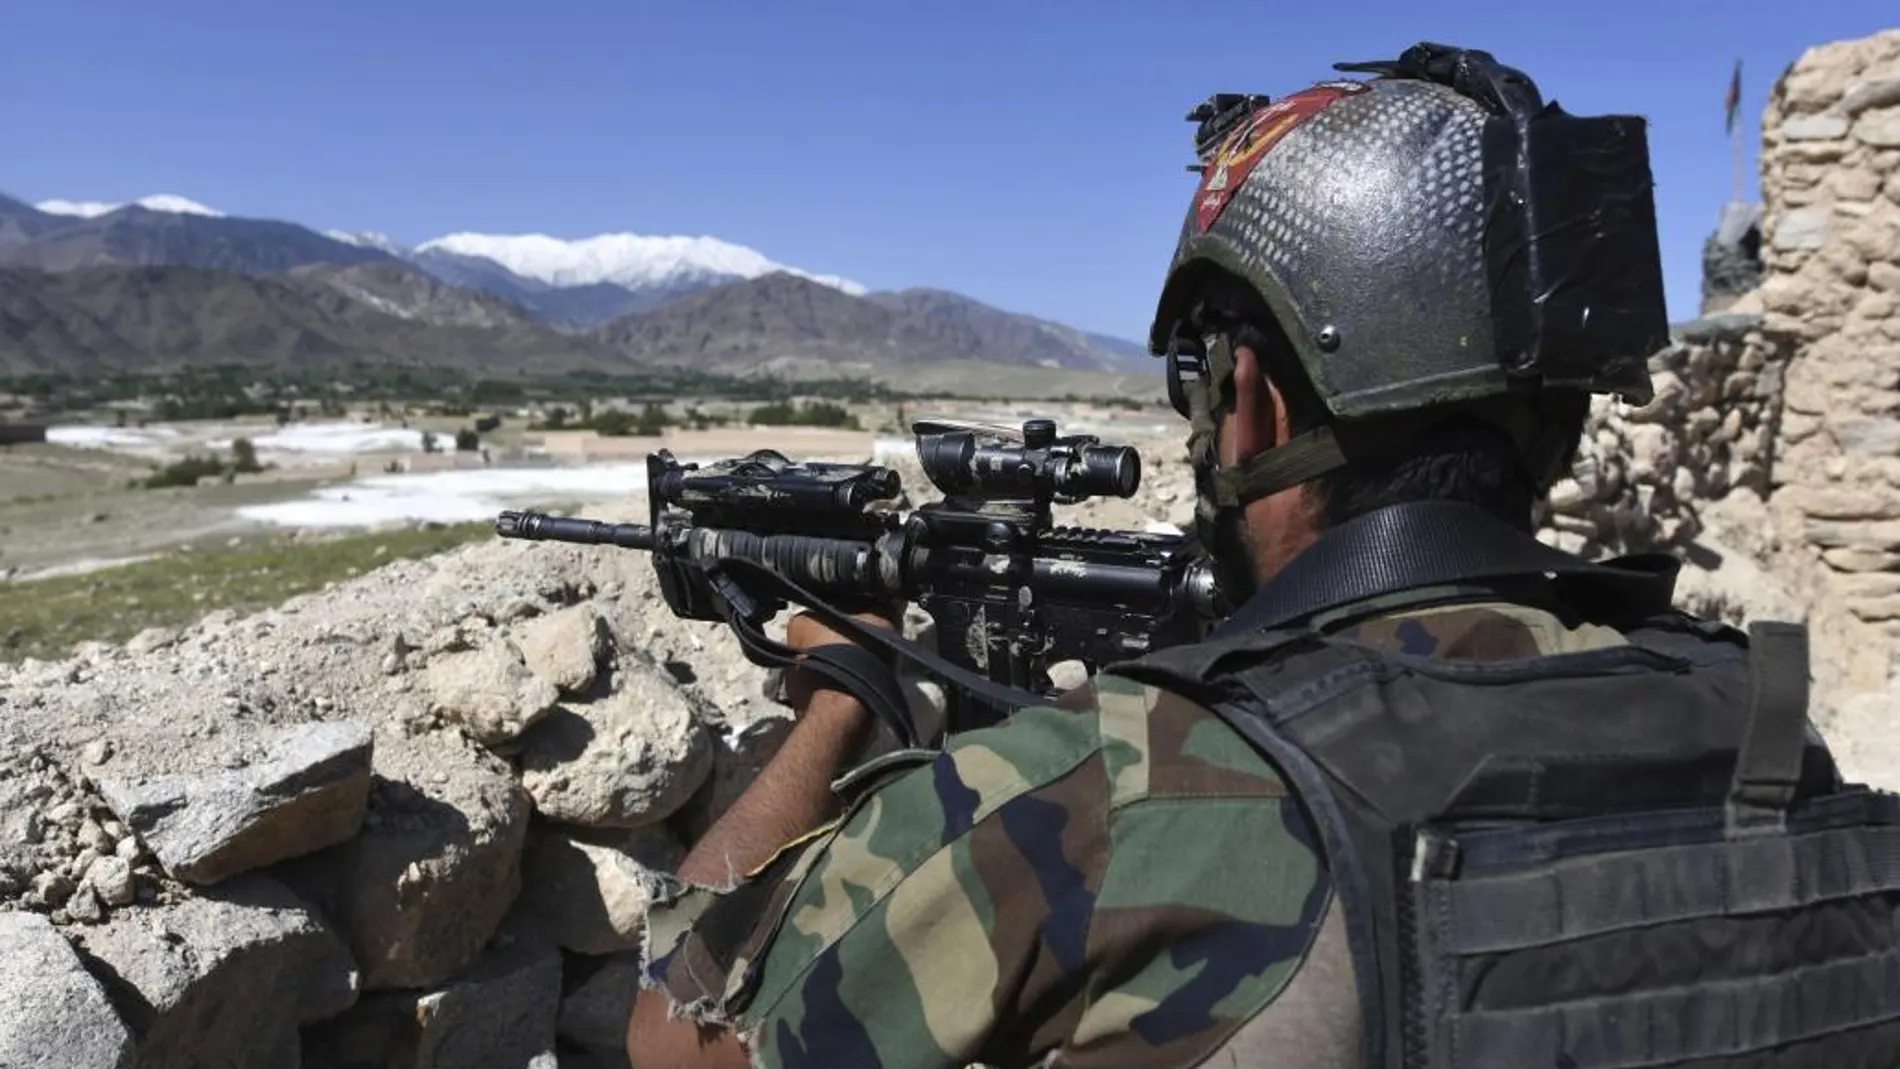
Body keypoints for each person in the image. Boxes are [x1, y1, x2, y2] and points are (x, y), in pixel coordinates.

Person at [628, 42, 1898, 1069]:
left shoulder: (1109, 792)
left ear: (1252, 403)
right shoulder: (1753, 724)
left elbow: (689, 1040)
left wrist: (846, 688)